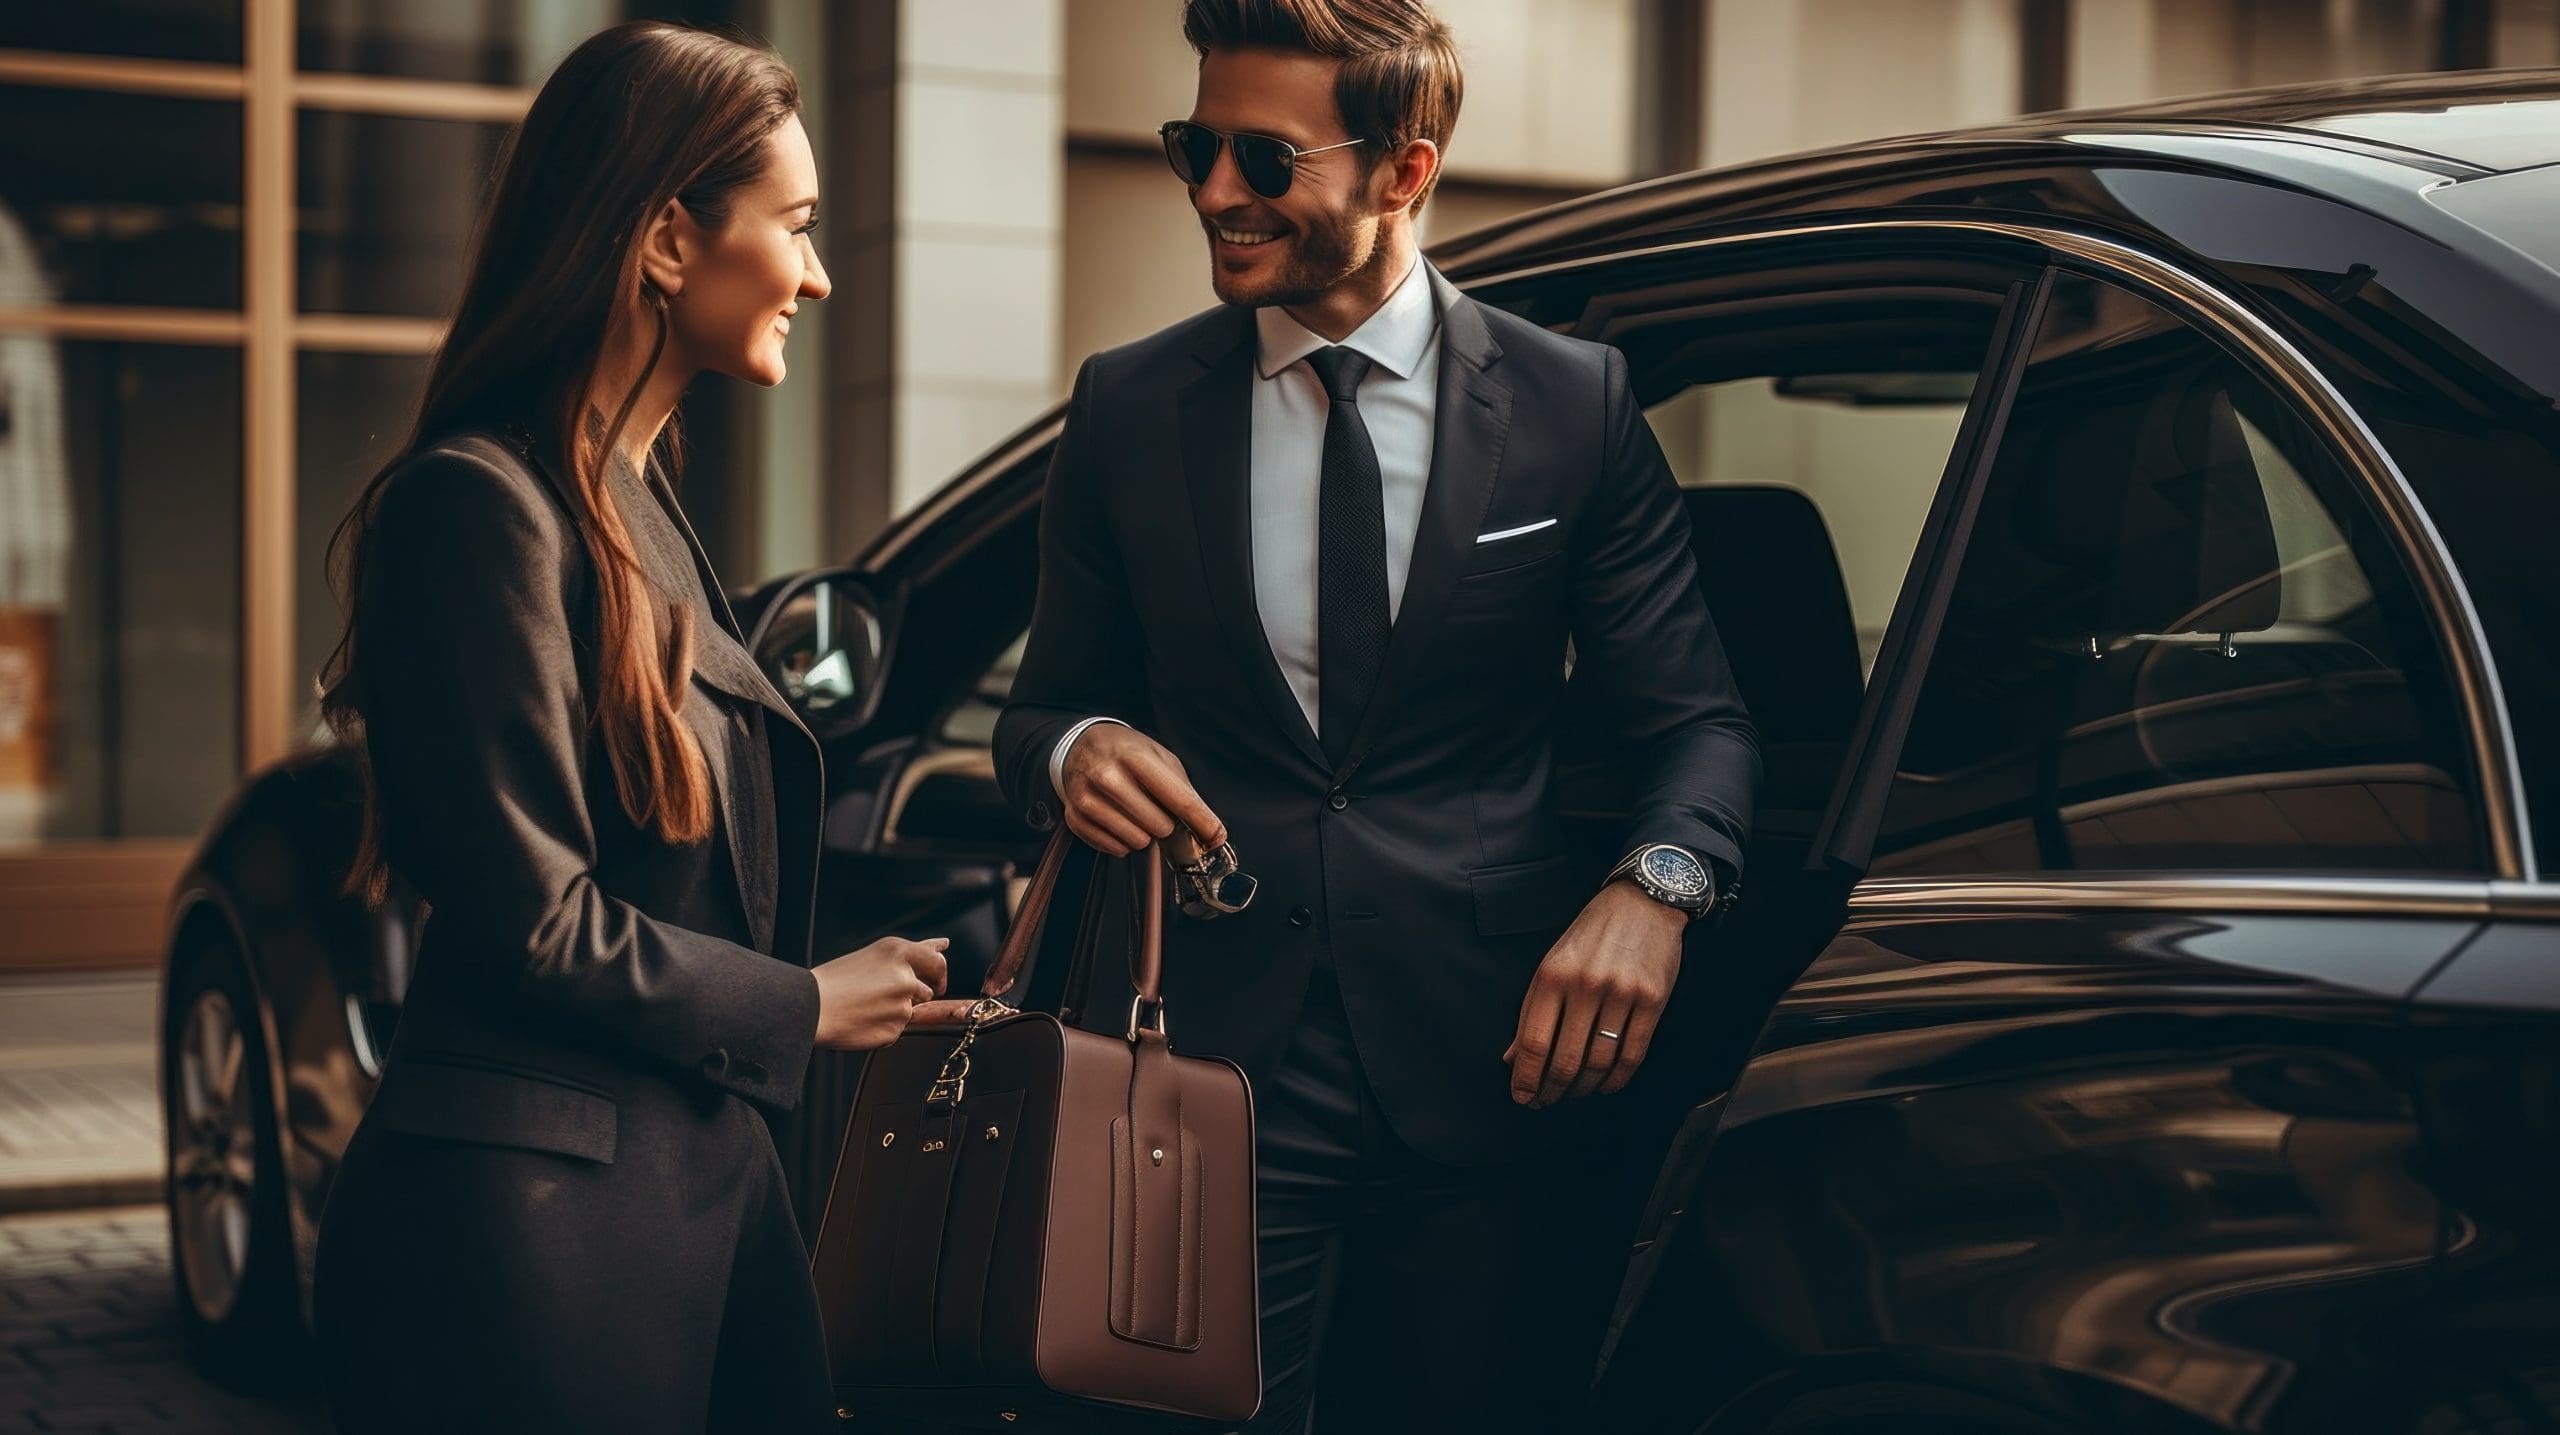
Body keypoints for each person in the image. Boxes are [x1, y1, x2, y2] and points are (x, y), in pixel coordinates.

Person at [992, 1, 1760, 1429]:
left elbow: (1698, 728)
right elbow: (1043, 708)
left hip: (1494, 1083)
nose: (1215, 192)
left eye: (1264, 160)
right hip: (1196, 1086)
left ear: (1405, 172)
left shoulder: (1569, 406)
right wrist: (1074, 752)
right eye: (1194, 145)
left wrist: (1655, 893)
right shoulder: (1128, 407)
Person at [308, 22, 947, 1433]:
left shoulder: (632, 506)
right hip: (528, 1252)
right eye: (795, 227)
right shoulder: (478, 507)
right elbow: (527, 917)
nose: (820, 274)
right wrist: (801, 1002)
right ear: (669, 238)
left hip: (684, 1209)